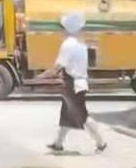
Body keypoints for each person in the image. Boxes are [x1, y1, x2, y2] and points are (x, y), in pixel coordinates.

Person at [42, 12, 107, 154]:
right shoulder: (80, 44)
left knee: (82, 115)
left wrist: (44, 76)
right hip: (77, 83)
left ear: (68, 29)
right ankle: (58, 144)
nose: (60, 30)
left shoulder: (68, 44)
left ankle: (101, 143)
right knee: (66, 114)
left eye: (62, 27)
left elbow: (59, 66)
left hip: (73, 85)